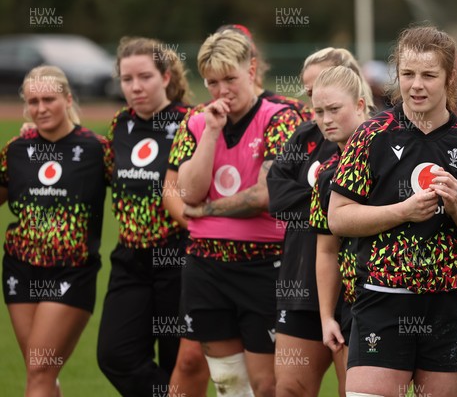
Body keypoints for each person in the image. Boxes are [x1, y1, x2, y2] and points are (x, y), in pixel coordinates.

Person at [327, 26, 457, 397]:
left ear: (450, 77)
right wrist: (403, 211)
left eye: (428, 75)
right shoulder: (371, 135)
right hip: (381, 298)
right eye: (407, 74)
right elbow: (339, 217)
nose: (416, 86)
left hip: (451, 305)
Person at [172, 30, 301, 396]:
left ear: (252, 69)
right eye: (212, 82)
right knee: (227, 382)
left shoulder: (281, 118)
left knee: (266, 385)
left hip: (263, 265)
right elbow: (188, 192)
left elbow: (264, 195)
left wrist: (205, 210)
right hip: (206, 266)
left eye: (230, 78)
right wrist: (211, 133)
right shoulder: (198, 122)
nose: (222, 90)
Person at [94, 37, 203, 397]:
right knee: (115, 355)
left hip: (179, 256)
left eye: (145, 77)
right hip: (129, 260)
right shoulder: (120, 124)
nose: (135, 87)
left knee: (179, 361)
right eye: (127, 79)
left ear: (166, 77)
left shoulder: (192, 122)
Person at [266, 49, 373, 397]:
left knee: (353, 390)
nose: (317, 103)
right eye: (311, 95)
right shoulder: (305, 137)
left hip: (358, 288)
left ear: (354, 95)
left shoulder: (379, 141)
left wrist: (337, 209)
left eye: (326, 91)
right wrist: (331, 205)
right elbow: (277, 196)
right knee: (289, 389)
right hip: (302, 282)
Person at [1, 65, 111, 396]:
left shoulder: (97, 149)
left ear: (68, 99)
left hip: (71, 271)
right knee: (43, 373)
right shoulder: (16, 150)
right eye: (33, 102)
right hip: (19, 268)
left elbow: (137, 189)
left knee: (39, 366)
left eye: (49, 99)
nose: (40, 108)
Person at [307, 65, 371, 393]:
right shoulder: (327, 173)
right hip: (353, 303)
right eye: (319, 111)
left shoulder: (387, 153)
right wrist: (326, 317)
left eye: (334, 109)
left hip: (401, 297)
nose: (326, 119)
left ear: (360, 105)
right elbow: (326, 249)